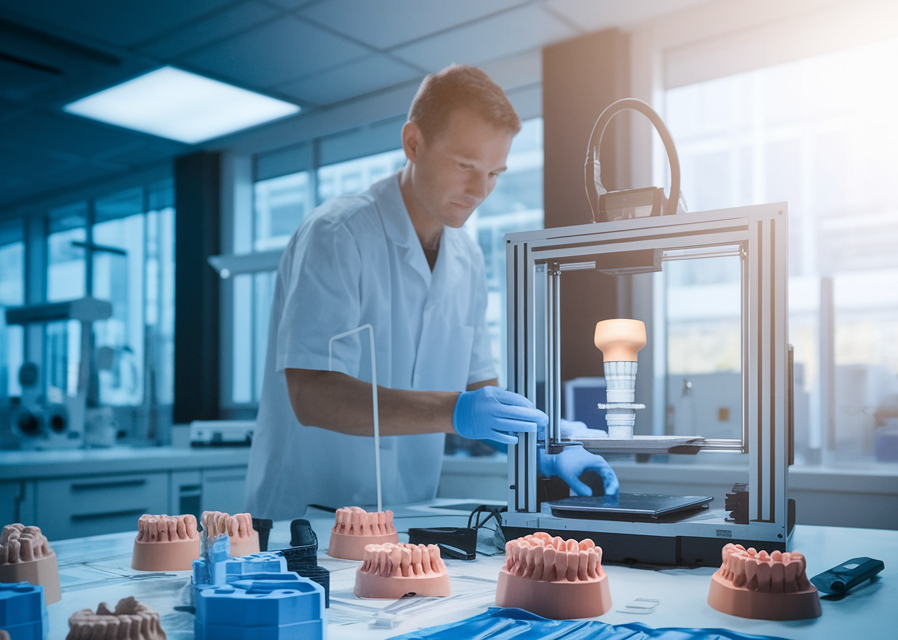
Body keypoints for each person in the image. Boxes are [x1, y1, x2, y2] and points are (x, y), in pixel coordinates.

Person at [245, 65, 618, 520]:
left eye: (494, 173)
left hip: (407, 514)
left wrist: (543, 440)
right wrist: (456, 412)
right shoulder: (337, 233)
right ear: (413, 143)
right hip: (305, 520)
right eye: (465, 165)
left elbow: (480, 387)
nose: (480, 190)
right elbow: (311, 395)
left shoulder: (467, 258)